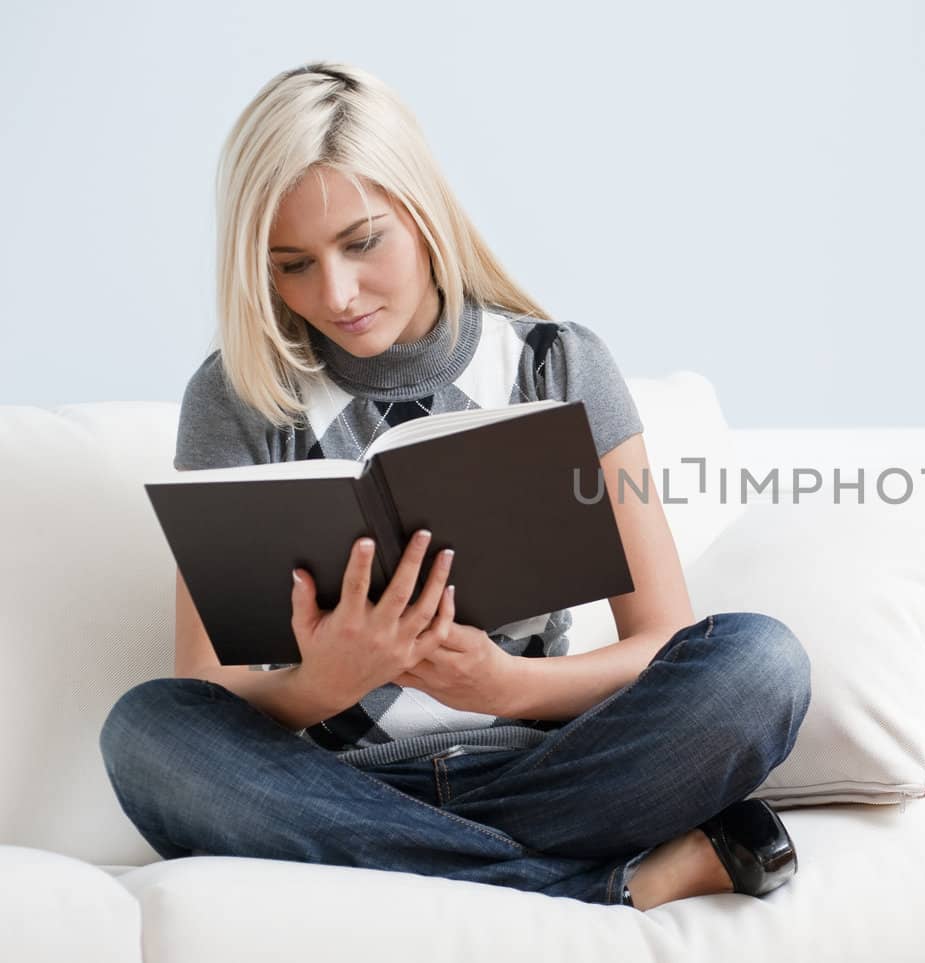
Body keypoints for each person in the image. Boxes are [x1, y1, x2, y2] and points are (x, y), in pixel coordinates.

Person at [97, 61, 811, 910]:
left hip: (553, 771)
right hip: (338, 789)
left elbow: (659, 638)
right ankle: (599, 888)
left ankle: (431, 869)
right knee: (146, 730)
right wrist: (327, 681)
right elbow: (204, 687)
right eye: (291, 264)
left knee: (761, 662)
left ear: (423, 213)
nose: (336, 293)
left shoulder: (561, 363)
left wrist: (502, 687)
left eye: (363, 243)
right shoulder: (238, 397)